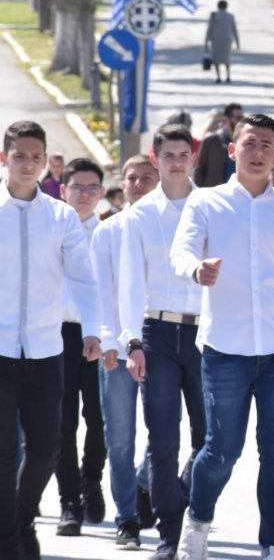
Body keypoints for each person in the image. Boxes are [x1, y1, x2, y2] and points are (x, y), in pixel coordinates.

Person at [172, 114, 274, 560]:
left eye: (267, 145)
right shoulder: (206, 205)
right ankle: (198, 521)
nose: (258, 152)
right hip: (226, 351)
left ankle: (273, 545)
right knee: (222, 450)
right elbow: (181, 250)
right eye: (250, 143)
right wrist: (196, 269)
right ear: (233, 150)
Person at [0, 121, 101, 560]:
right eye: (19, 155)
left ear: (46, 162)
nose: (28, 164)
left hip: (45, 351)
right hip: (0, 351)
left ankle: (21, 518)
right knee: (4, 454)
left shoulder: (60, 217)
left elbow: (83, 277)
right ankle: (9, 543)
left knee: (44, 450)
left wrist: (95, 329)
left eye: (35, 157)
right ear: (4, 158)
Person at [120, 125, 206, 560]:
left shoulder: (210, 205)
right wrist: (132, 341)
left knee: (214, 437)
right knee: (162, 440)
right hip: (156, 333)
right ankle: (170, 536)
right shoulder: (140, 216)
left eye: (182, 154)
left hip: (206, 335)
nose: (175, 162)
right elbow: (131, 283)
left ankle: (185, 500)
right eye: (167, 155)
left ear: (192, 157)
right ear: (155, 160)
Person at [91, 154, 159, 551]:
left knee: (164, 434)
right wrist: (108, 343)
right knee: (119, 438)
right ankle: (127, 518)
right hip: (117, 349)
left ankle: (143, 483)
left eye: (145, 178)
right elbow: (101, 294)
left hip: (163, 347)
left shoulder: (171, 226)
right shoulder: (108, 231)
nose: (137, 184)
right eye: (131, 178)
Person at [54, 158, 109, 537]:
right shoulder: (51, 230)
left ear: (102, 193)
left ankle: (92, 479)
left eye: (92, 188)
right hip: (56, 336)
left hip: (100, 336)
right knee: (63, 422)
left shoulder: (109, 234)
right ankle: (68, 501)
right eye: (77, 187)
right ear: (63, 189)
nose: (84, 195)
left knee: (100, 418)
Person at [194, 103, 242, 188]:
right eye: (238, 118)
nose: (240, 122)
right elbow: (199, 170)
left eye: (242, 118)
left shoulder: (243, 143)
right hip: (214, 196)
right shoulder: (211, 140)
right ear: (225, 120)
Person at [205, 0, 239, 84]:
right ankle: (228, 75)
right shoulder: (230, 16)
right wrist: (237, 42)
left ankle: (218, 76)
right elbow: (234, 29)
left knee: (216, 59)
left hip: (216, 40)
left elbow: (210, 29)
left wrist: (206, 41)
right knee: (226, 59)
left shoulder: (214, 16)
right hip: (227, 40)